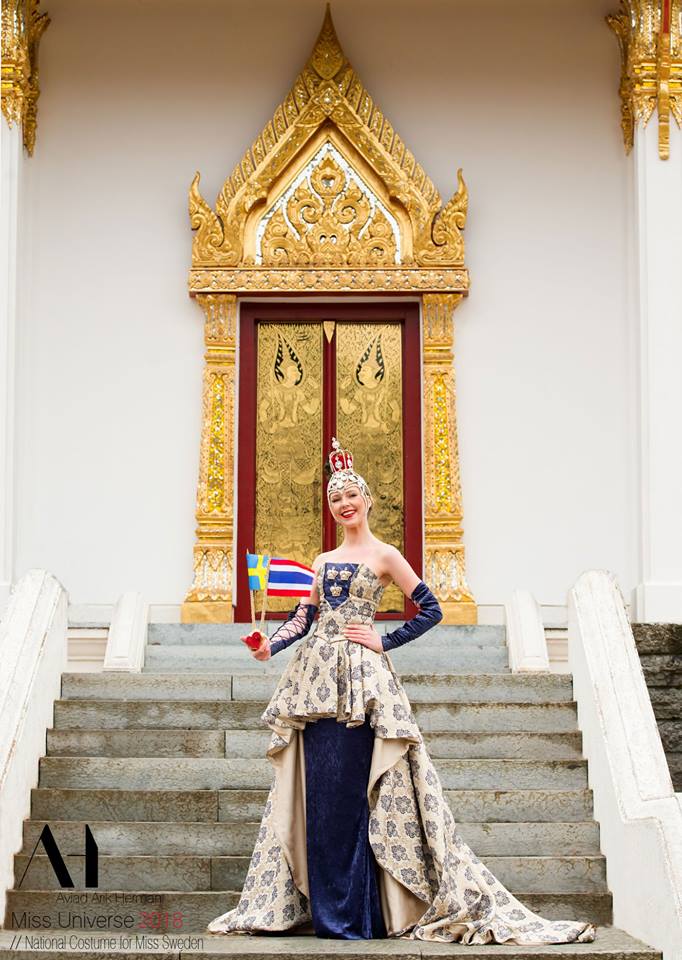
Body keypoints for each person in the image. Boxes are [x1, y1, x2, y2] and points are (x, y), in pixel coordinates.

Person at [207, 439, 597, 944]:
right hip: (313, 685)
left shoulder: (386, 554)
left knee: (353, 794)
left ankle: (363, 915)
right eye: (335, 498)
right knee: (321, 797)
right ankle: (329, 913)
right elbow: (305, 616)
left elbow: (432, 609)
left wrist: (384, 639)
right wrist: (269, 647)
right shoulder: (322, 560)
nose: (344, 504)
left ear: (367, 500)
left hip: (363, 686)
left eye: (351, 495)